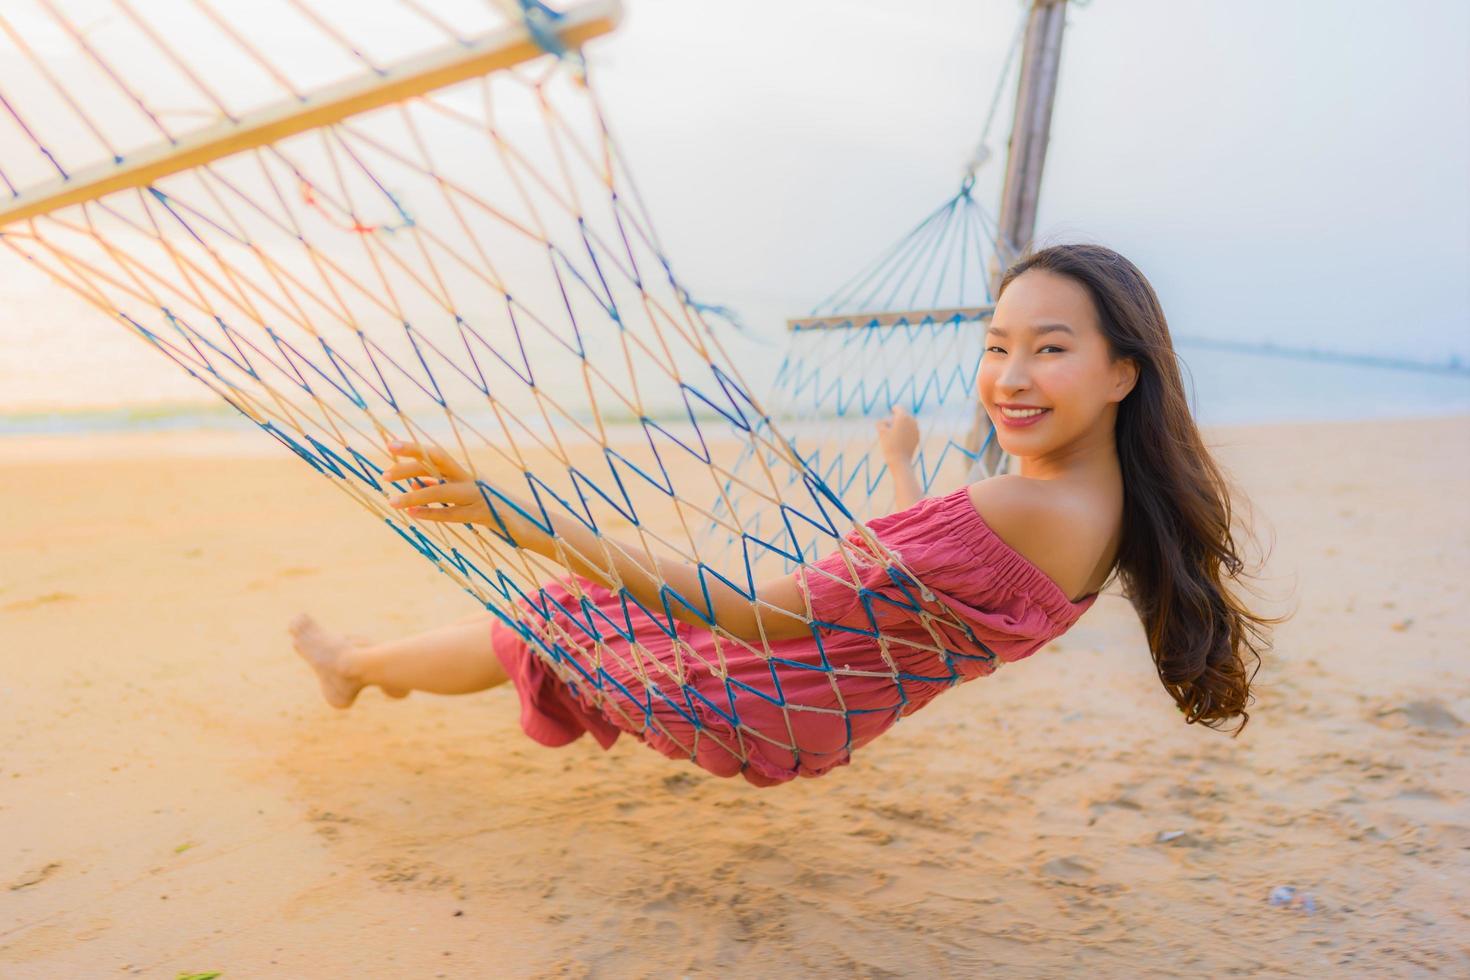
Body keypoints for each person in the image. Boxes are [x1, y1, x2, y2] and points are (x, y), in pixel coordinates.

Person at [291, 243, 1279, 787]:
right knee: (567, 618)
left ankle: (355, 667)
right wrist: (905, 467)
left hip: (768, 696)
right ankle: (360, 667)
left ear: (1121, 369)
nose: (1010, 377)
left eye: (1050, 349)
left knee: (557, 607)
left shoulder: (1021, 499)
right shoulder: (1095, 508)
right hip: (821, 704)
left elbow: (766, 614)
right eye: (996, 344)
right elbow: (931, 590)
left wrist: (529, 513)